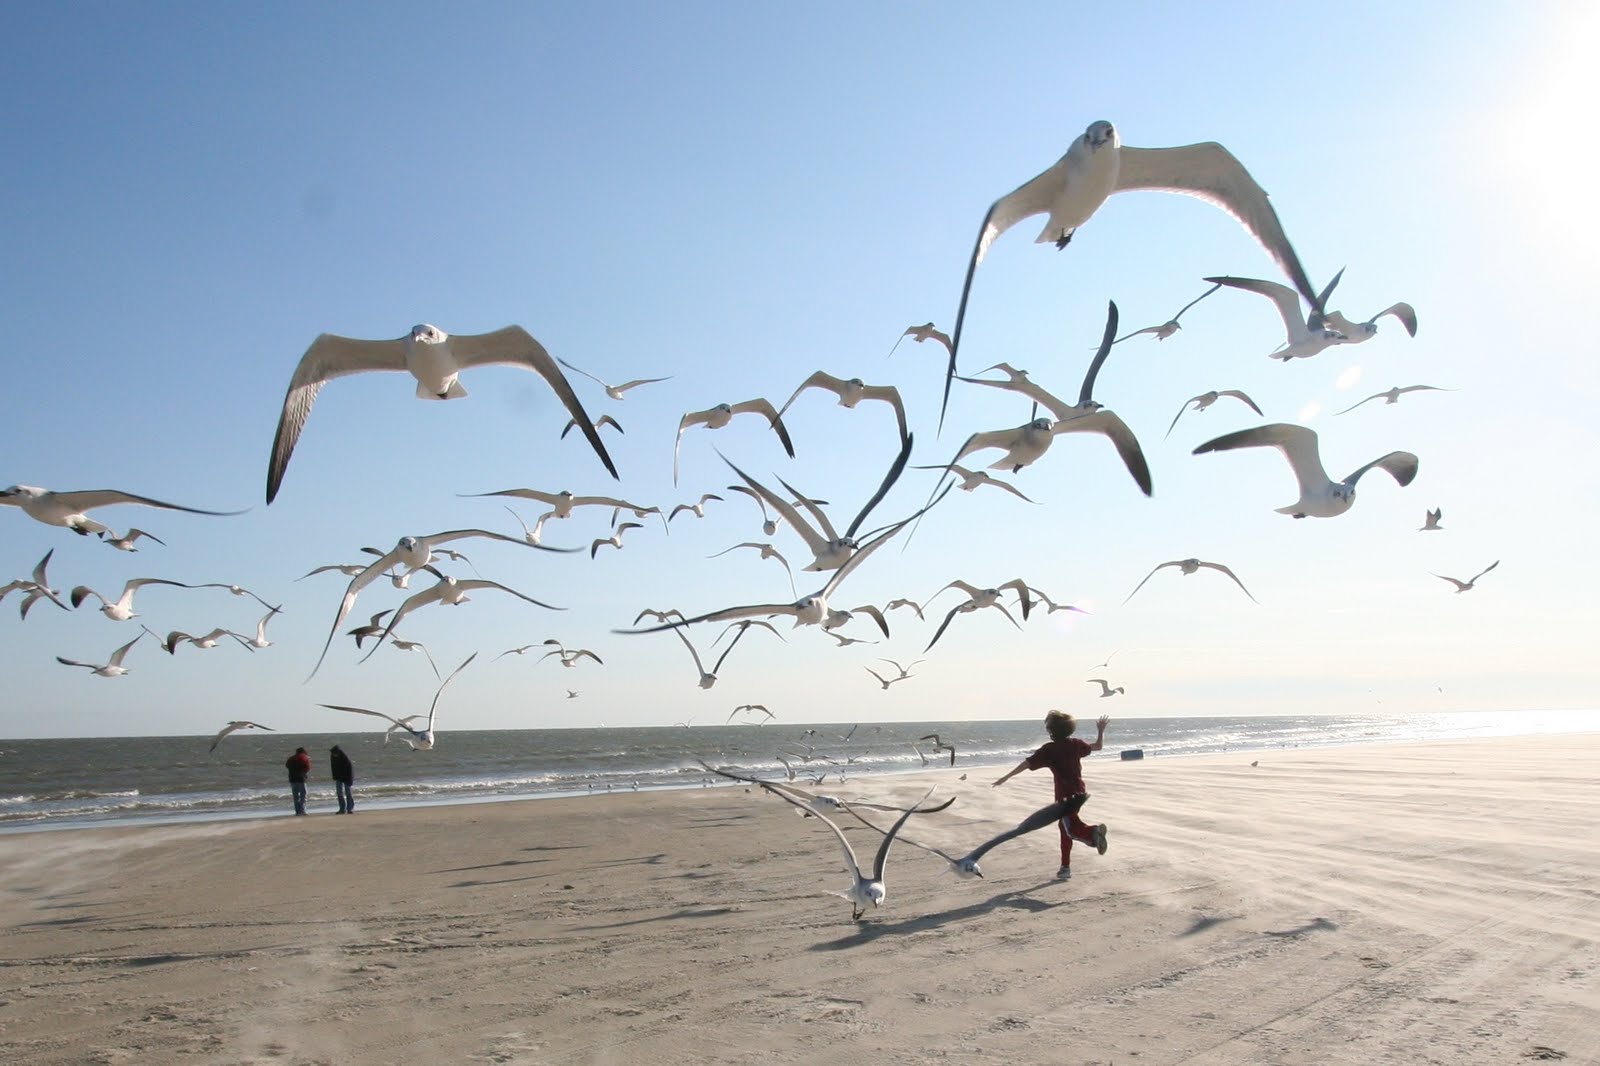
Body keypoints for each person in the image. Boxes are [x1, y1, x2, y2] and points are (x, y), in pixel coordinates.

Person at [992, 711, 1109, 879]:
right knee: (1064, 828)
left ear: (1051, 730)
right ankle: (1065, 867)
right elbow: (1098, 746)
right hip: (1080, 791)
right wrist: (1101, 730)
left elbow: (1026, 764)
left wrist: (1006, 777)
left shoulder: (1050, 750)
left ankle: (1093, 833)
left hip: (1065, 797)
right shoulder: (1076, 744)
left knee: (1071, 829)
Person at [286, 746, 311, 816]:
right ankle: (303, 811)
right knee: (303, 795)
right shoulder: (304, 757)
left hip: (292, 779)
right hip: (301, 779)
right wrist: (303, 772)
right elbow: (308, 767)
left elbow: (287, 765)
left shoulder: (291, 758)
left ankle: (297, 812)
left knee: (296, 796)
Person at [330, 744, 354, 814]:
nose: (333, 755)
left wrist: (350, 779)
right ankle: (342, 809)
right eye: (333, 753)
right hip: (338, 777)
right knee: (339, 793)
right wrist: (334, 777)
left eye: (334, 753)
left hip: (347, 777)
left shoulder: (344, 757)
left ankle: (350, 809)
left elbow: (350, 769)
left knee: (348, 793)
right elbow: (333, 767)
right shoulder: (332, 756)